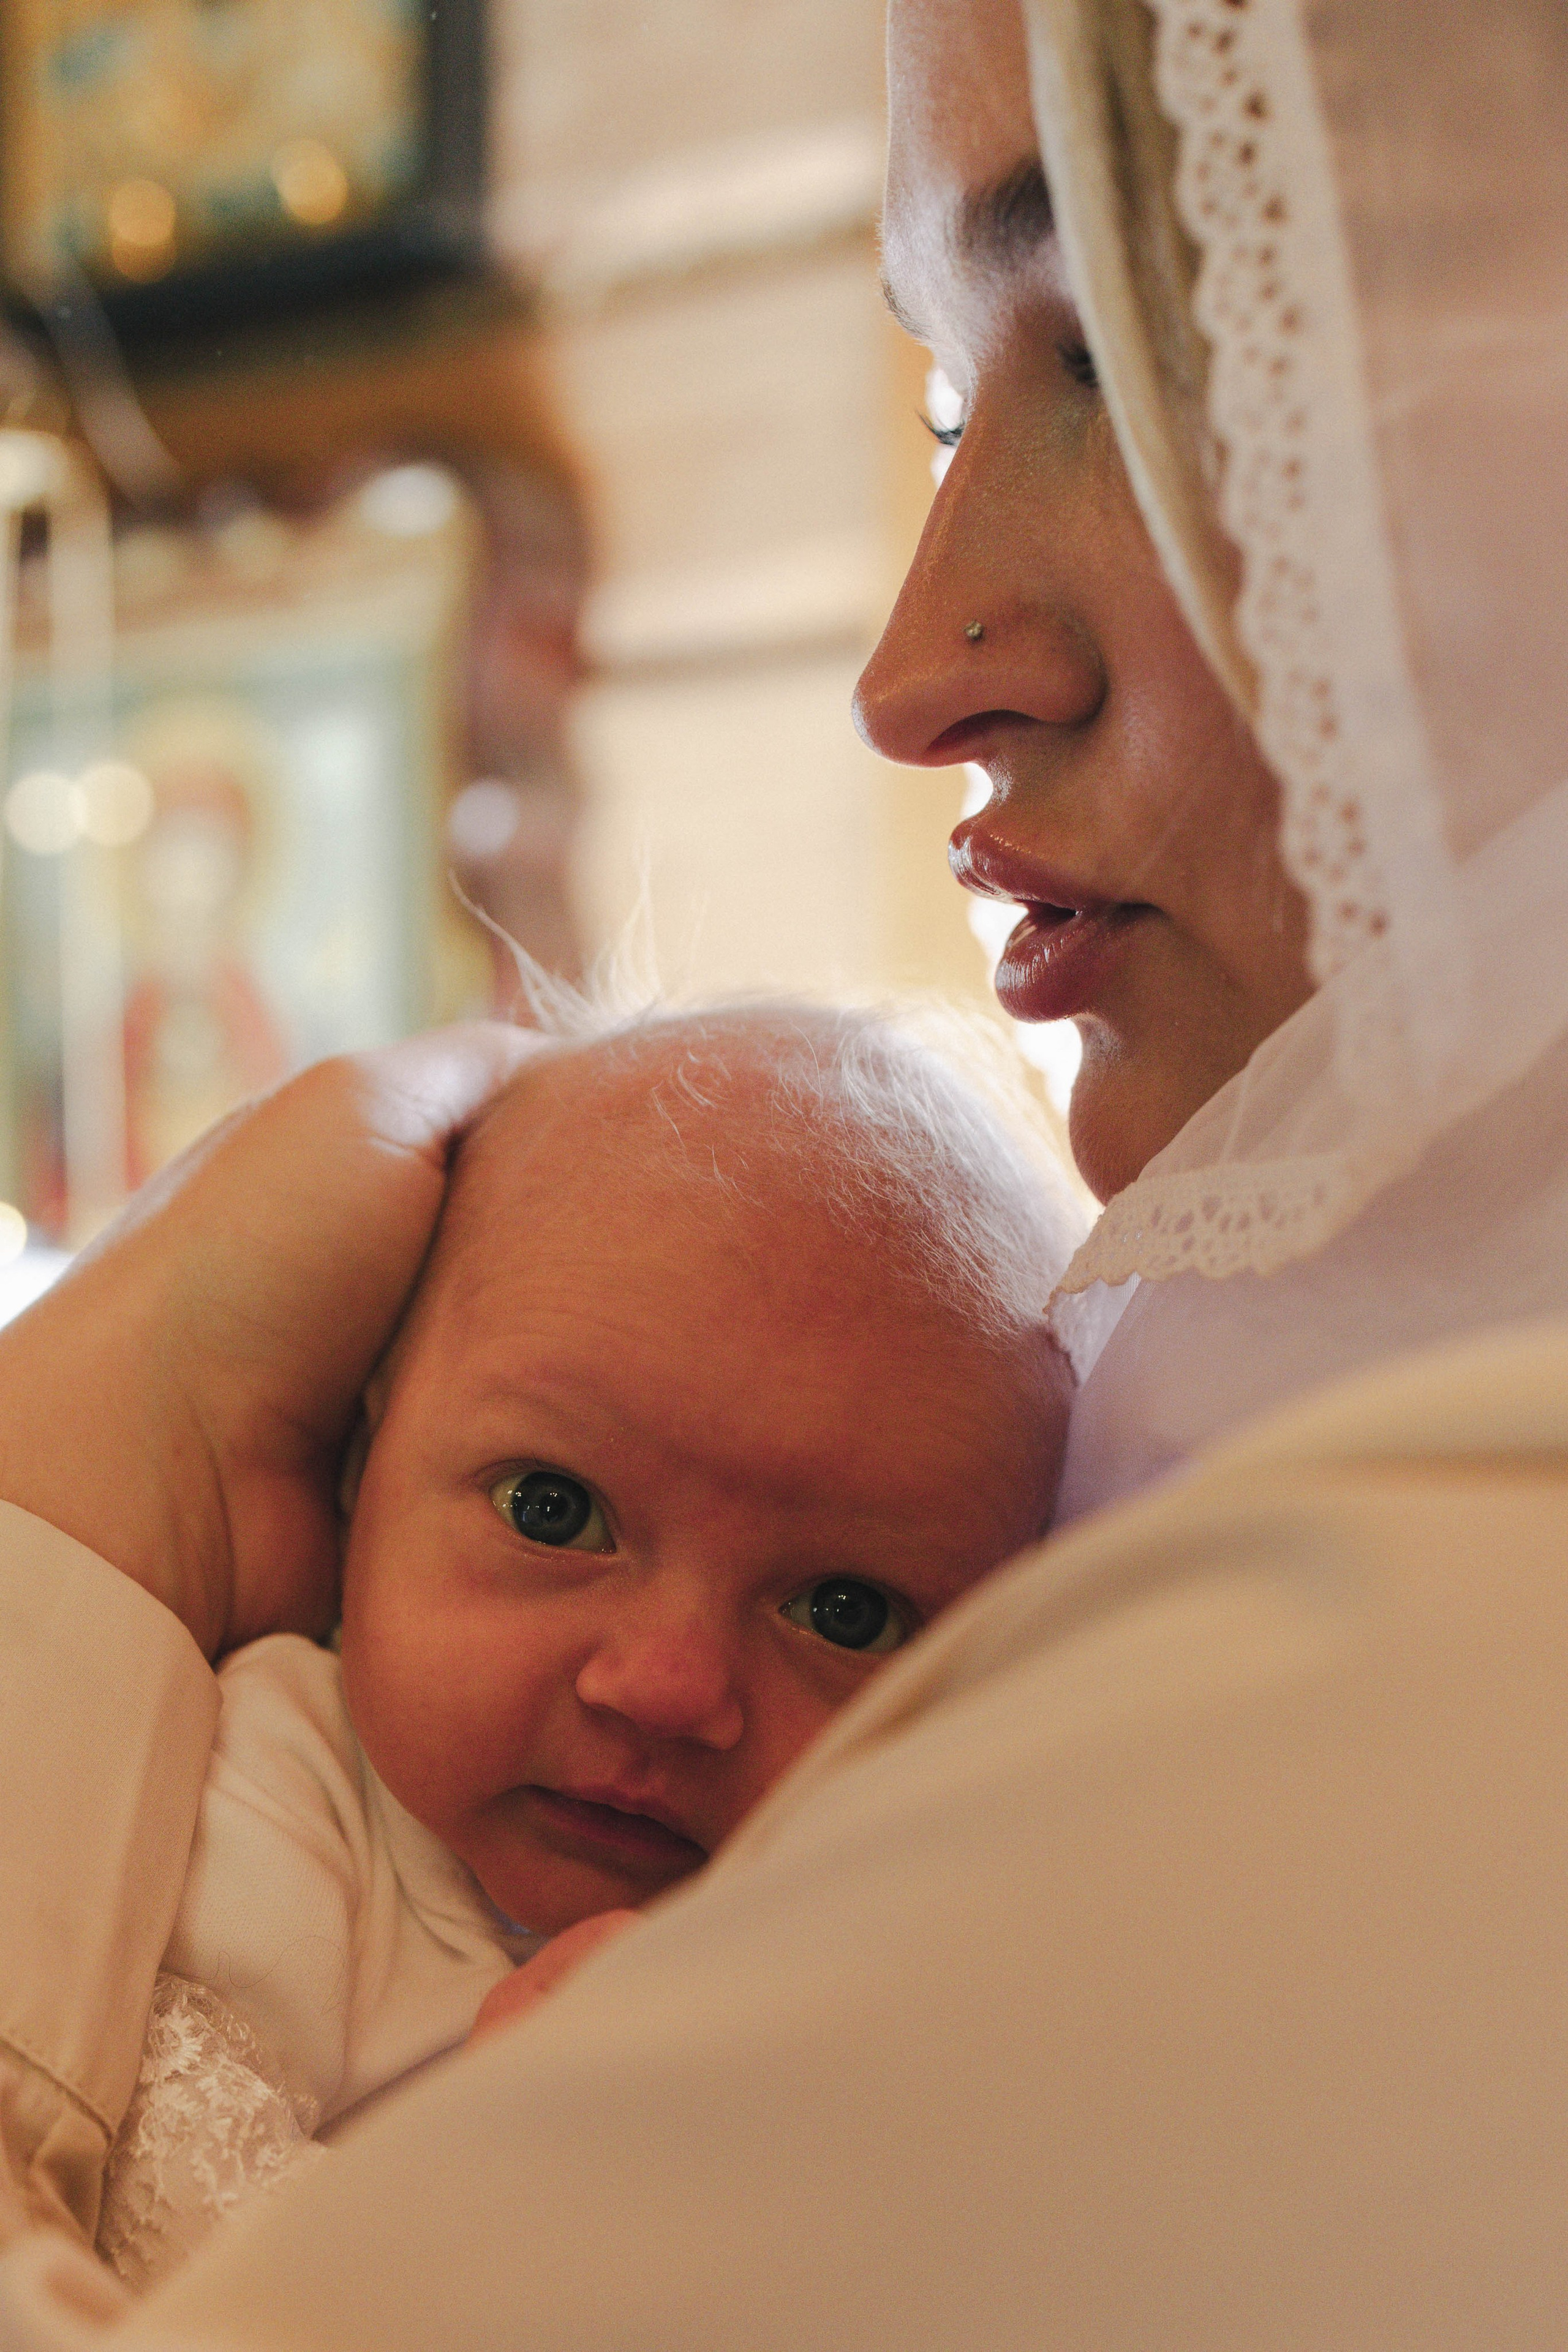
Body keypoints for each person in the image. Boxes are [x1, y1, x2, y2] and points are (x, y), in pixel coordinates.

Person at [1, 0, 1566, 2341]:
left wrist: (83, 1454)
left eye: (1134, 358)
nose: (914, 674)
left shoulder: (1389, 1677)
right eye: (946, 400)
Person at [91, 997, 1075, 2288]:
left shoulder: (904, 1959)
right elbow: (134, 2253)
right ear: (362, 1456)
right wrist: (512, 2188)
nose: (667, 1687)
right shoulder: (266, 1798)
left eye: (846, 1612)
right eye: (552, 1511)